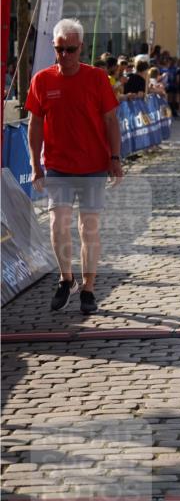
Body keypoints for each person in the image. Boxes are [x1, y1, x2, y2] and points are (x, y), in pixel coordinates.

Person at [25, 18, 122, 315]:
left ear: (81, 47)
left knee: (88, 228)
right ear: (53, 47)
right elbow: (35, 125)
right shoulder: (42, 80)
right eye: (60, 49)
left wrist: (115, 158)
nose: (65, 55)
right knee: (58, 223)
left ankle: (88, 288)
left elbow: (110, 120)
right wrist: (35, 164)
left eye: (71, 49)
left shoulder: (97, 78)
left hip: (93, 165)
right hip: (58, 165)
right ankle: (66, 279)